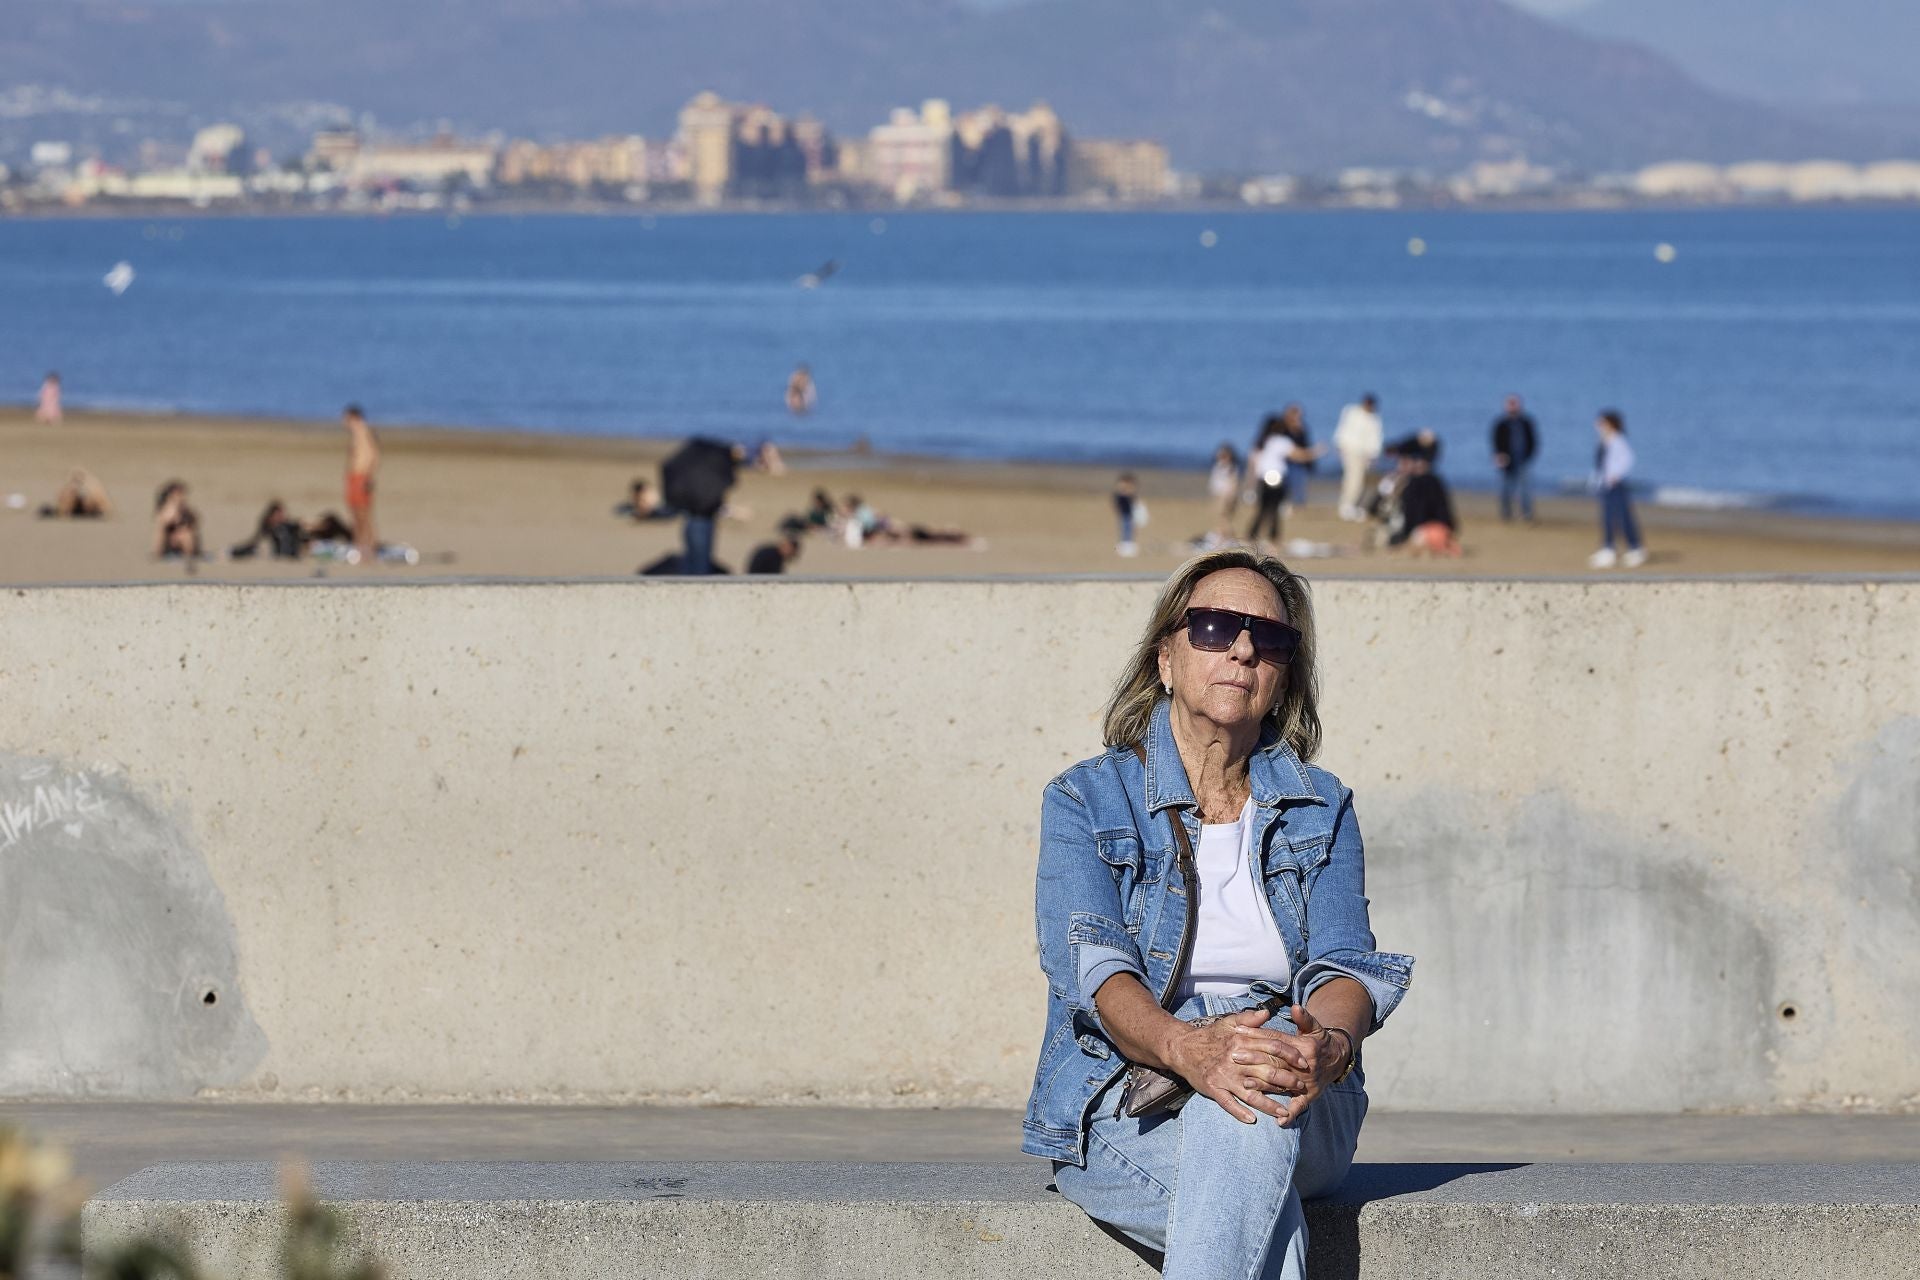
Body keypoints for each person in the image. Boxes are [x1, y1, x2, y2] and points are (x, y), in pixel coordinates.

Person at [1027, 549, 1413, 1278]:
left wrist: (1328, 1047)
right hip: (1131, 1098)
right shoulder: (1086, 800)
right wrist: (1185, 1047)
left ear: (1282, 679)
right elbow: (1094, 969)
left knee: (1253, 1084)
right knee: (1249, 1146)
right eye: (1213, 628)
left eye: (1269, 639)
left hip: (1304, 1102)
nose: (1242, 649)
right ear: (1165, 659)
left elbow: (1345, 965)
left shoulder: (1322, 806)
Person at [661, 437, 780, 575]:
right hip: (700, 520)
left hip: (695, 518)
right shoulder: (708, 475)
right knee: (699, 566)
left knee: (696, 563)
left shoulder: (704, 468)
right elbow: (710, 499)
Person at [1244, 413, 1323, 551]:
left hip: (1264, 479)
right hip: (1276, 480)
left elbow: (1253, 464)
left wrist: (1250, 485)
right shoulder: (1281, 442)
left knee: (1262, 509)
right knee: (1274, 510)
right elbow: (1300, 455)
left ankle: (1252, 536)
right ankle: (1273, 538)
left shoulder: (1261, 442)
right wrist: (1316, 452)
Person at [1590, 409, 1646, 569]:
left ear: (1610, 424)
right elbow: (1601, 465)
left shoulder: (1617, 440)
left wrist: (1615, 475)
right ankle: (1608, 548)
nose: (1598, 426)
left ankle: (1634, 548)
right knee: (1607, 517)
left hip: (1616, 485)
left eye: (1602, 423)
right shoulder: (1604, 440)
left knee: (1622, 517)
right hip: (1605, 484)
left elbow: (1628, 459)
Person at [1387, 452, 1460, 557]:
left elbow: (1413, 513)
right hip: (1443, 529)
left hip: (1426, 530)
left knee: (1413, 540)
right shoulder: (1436, 481)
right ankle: (1441, 545)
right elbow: (1446, 512)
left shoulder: (1415, 483)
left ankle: (1435, 547)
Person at [1332, 393, 1382, 522]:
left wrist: (1374, 455)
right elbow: (1343, 429)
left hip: (1365, 454)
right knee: (1353, 479)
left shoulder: (1374, 419)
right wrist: (1339, 445)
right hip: (1350, 450)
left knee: (1361, 481)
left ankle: (1352, 505)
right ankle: (1346, 506)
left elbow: (1375, 438)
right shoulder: (1352, 412)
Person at [341, 404, 380, 565]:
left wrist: (369, 477)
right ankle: (360, 546)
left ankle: (368, 548)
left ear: (354, 417)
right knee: (356, 513)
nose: (343, 422)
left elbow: (374, 455)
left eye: (346, 418)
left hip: (361, 477)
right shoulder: (357, 433)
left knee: (363, 514)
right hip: (355, 477)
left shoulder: (363, 432)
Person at [1490, 395, 1539, 523]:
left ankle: (1526, 514)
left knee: (1525, 489)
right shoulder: (1501, 423)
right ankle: (1506, 514)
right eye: (1510, 403)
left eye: (1515, 403)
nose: (1513, 406)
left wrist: (1529, 455)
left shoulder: (1526, 422)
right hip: (1506, 460)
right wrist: (1499, 455)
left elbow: (1533, 441)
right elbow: (1495, 441)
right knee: (1505, 488)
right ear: (1506, 406)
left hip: (1523, 459)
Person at [228, 500, 307, 560]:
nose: (282, 516)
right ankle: (231, 552)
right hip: (274, 553)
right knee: (254, 550)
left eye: (282, 513)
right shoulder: (269, 527)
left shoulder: (289, 526)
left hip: (288, 553)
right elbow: (257, 540)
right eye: (279, 514)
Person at [151, 480, 202, 560]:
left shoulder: (185, 509)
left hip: (181, 539)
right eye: (179, 494)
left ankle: (189, 555)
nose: (182, 497)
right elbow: (164, 522)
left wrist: (185, 515)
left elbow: (196, 521)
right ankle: (158, 554)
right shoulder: (166, 508)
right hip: (168, 540)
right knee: (161, 531)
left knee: (186, 533)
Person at [37, 468, 110, 519]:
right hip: (76, 508)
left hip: (90, 507)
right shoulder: (68, 489)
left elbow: (105, 507)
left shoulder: (93, 488)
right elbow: (62, 509)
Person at [1206, 444, 1240, 546]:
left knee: (1223, 517)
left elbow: (1234, 483)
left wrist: (1230, 496)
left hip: (1226, 495)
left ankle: (1225, 537)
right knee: (1221, 517)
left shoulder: (1231, 468)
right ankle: (1223, 536)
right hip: (1218, 494)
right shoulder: (1218, 465)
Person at [1114, 473, 1141, 557]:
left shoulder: (1128, 495)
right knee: (1125, 530)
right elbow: (1118, 502)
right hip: (1125, 514)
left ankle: (1128, 546)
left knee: (1129, 530)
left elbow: (1133, 501)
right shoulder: (1121, 495)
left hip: (1129, 514)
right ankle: (1125, 547)